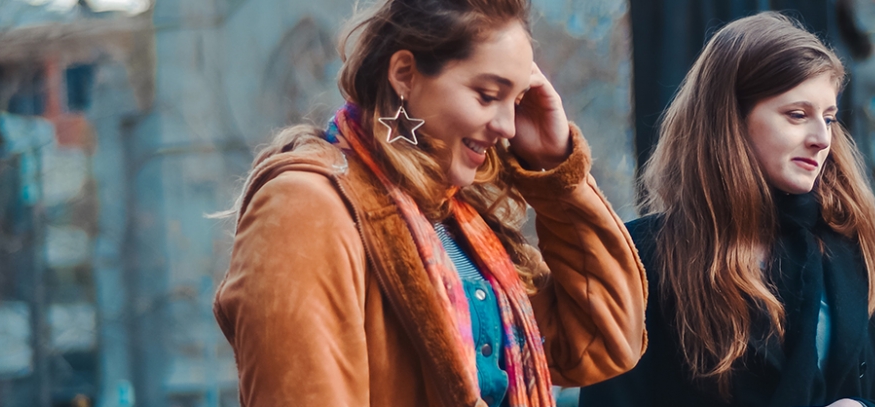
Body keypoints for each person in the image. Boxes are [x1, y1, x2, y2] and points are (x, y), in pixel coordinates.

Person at [213, 0, 645, 405]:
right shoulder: (304, 209)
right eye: (487, 95)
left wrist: (554, 168)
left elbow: (603, 338)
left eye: (516, 101)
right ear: (405, 74)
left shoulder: (461, 221)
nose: (509, 127)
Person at [581, 12, 875, 407]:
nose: (821, 138)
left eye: (829, 118)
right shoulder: (640, 256)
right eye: (797, 115)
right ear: (730, 119)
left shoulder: (854, 246)